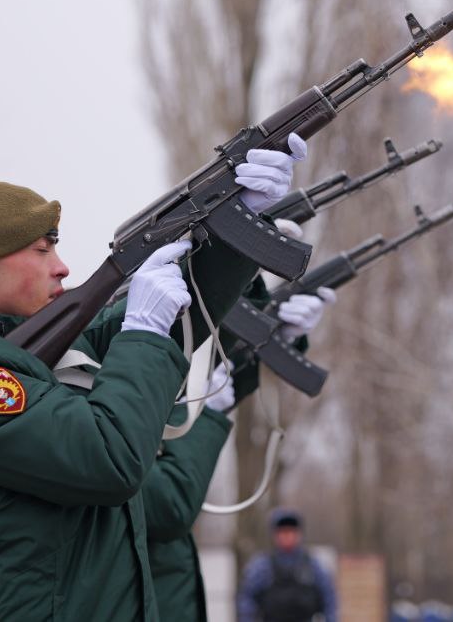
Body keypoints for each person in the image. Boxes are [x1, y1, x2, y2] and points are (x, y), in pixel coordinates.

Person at [0, 137, 305, 621]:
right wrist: (144, 329)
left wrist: (240, 222)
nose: (61, 266)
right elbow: (108, 458)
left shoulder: (30, 349)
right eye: (40, 250)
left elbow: (183, 317)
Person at [143, 242, 335, 622]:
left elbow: (217, 384)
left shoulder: (312, 568)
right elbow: (170, 505)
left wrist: (275, 334)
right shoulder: (265, 567)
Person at [237, 508, 338, 622]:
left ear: (299, 534)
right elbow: (247, 600)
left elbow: (329, 601)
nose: (287, 536)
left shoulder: (314, 566)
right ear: (275, 535)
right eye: (283, 532)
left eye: (291, 531)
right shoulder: (262, 567)